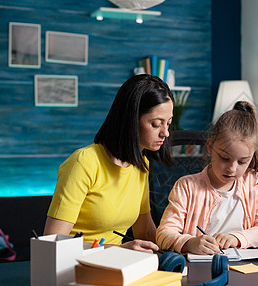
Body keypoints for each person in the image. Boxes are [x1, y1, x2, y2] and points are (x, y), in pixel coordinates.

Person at [44, 74, 174, 253]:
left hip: (118, 264)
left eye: (168, 123)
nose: (165, 133)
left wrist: (183, 244)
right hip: (74, 267)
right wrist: (117, 249)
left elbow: (144, 230)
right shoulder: (83, 162)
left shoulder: (140, 163)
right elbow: (51, 242)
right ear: (130, 120)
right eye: (156, 124)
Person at [156, 101, 258, 254]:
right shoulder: (186, 186)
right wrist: (189, 243)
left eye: (242, 162)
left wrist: (237, 238)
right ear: (210, 147)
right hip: (199, 268)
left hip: (243, 266)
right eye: (225, 158)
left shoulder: (254, 182)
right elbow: (163, 233)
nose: (232, 168)